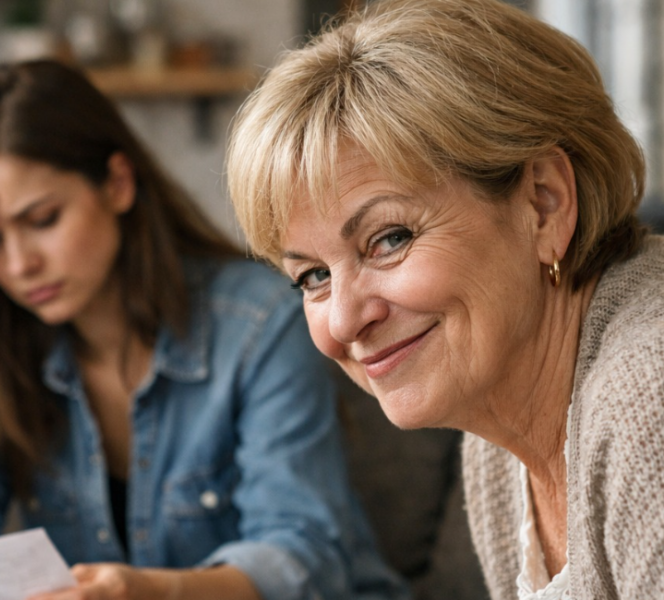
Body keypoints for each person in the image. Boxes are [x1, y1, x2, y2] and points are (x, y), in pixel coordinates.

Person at [0, 59, 411, 600]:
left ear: (117, 184)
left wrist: (151, 591)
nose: (20, 264)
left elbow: (304, 557)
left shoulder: (257, 324)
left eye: (43, 220)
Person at [225, 0, 664, 598]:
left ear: (544, 202)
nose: (345, 321)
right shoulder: (496, 434)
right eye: (313, 277)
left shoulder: (648, 401)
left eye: (389, 239)